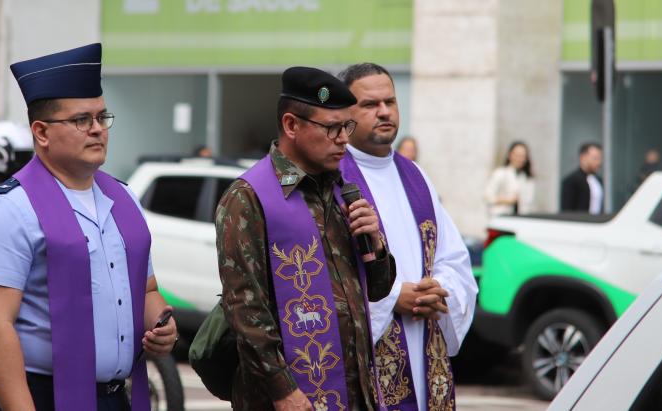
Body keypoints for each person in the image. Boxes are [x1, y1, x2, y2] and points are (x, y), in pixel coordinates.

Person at [0, 43, 177, 411]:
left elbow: (146, 289)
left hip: (113, 397)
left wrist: (162, 326)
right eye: (82, 120)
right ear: (42, 132)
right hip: (40, 396)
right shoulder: (9, 210)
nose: (97, 130)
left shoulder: (124, 200)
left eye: (102, 117)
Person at [216, 66, 396, 411]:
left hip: (356, 391)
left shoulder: (344, 190)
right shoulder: (249, 197)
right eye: (331, 128)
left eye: (347, 126)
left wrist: (376, 244)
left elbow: (378, 290)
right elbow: (245, 310)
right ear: (291, 125)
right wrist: (283, 391)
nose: (343, 138)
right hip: (288, 398)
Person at [338, 63, 477, 411]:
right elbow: (324, 278)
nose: (384, 112)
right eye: (369, 104)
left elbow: (452, 258)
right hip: (367, 361)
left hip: (424, 344)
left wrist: (437, 289)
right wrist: (391, 298)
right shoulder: (332, 180)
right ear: (345, 113)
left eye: (390, 101)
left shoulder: (414, 174)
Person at [484, 141, 536, 217]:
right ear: (510, 155)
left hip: (521, 219)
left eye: (523, 156)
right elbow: (487, 196)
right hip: (501, 217)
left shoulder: (527, 178)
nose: (520, 159)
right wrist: (508, 200)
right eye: (517, 155)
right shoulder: (500, 173)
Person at [560, 142, 603, 214]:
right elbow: (567, 211)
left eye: (600, 158)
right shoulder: (571, 181)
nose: (599, 162)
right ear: (582, 157)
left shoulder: (599, 180)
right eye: (595, 158)